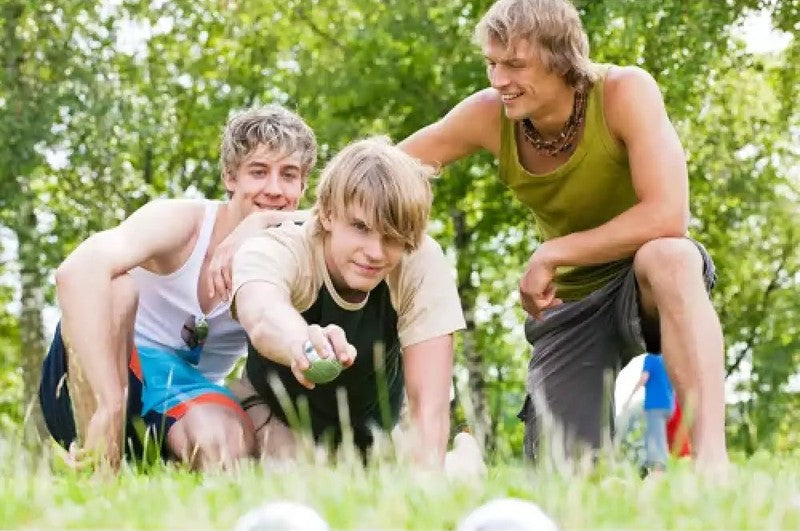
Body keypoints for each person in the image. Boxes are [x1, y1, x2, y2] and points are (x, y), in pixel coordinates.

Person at [399, 0, 726, 470]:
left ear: (561, 58)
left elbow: (668, 213)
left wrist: (553, 253)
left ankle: (712, 465)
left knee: (670, 256)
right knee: (567, 474)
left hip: (645, 282)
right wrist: (309, 218)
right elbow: (387, 168)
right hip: (569, 303)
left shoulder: (624, 92)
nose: (498, 79)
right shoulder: (489, 114)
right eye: (492, 63)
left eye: (515, 64)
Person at [38, 104, 317, 470]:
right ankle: (98, 460)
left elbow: (358, 216)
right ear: (230, 177)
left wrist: (261, 221)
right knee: (118, 289)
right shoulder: (182, 222)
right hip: (103, 369)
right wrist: (111, 402)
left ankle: (153, 460)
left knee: (226, 446)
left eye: (289, 175)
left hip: (182, 391)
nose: (274, 189)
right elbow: (76, 271)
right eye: (259, 172)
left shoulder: (296, 253)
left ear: (303, 186)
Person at [230, 137, 465, 466]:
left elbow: (429, 405)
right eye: (360, 227)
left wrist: (427, 477)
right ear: (327, 214)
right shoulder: (278, 247)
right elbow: (261, 312)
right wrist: (301, 343)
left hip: (376, 431)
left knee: (440, 475)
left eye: (392, 236)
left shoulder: (420, 260)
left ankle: (465, 455)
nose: (376, 252)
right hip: (276, 415)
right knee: (295, 477)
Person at [623, 353, 675, 473]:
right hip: (668, 404)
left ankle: (659, 471)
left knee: (656, 438)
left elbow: (644, 377)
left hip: (655, 404)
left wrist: (629, 398)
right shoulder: (668, 358)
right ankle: (650, 466)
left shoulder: (651, 358)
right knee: (652, 436)